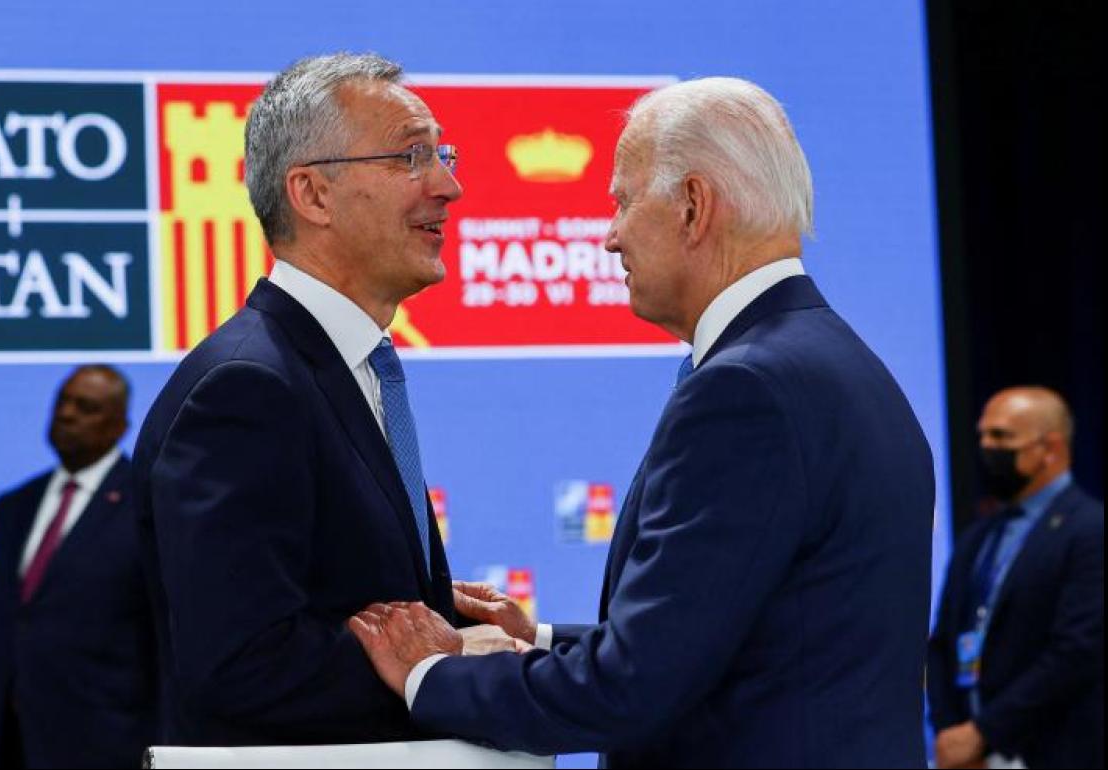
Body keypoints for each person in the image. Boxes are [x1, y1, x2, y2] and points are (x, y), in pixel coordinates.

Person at [348, 76, 936, 767]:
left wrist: (430, 675)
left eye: (623, 202)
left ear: (693, 206)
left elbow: (628, 688)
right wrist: (536, 640)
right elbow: (741, 646)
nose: (610, 237)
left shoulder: (748, 391)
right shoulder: (837, 363)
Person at [131, 52, 474, 747]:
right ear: (313, 195)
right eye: (410, 157)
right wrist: (445, 669)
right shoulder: (247, 390)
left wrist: (456, 631)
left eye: (442, 154)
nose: (448, 185)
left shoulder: (343, 368)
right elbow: (241, 668)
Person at [0, 365, 156, 768]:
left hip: (105, 744)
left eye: (86, 407)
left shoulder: (146, 506)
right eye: (63, 400)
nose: (66, 414)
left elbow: (160, 637)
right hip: (7, 742)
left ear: (119, 426)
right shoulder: (12, 508)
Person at [928, 387, 1103, 770]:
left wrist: (983, 733)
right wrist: (950, 734)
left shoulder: (1090, 530)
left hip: (1053, 751)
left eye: (1001, 437)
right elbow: (942, 644)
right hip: (968, 757)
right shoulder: (978, 537)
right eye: (982, 435)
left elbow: (1077, 651)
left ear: (1050, 448)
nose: (986, 447)